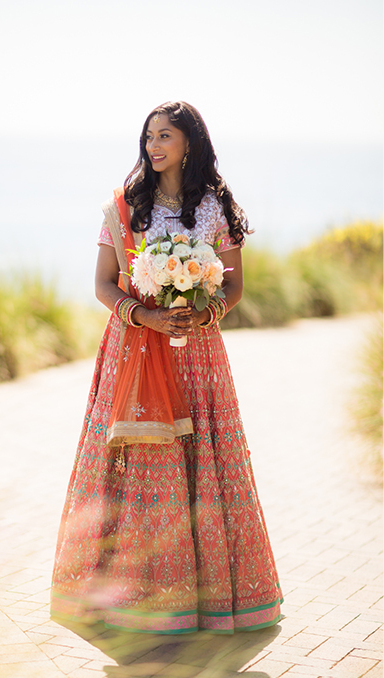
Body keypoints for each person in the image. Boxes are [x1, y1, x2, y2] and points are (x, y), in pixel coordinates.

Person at [50, 101, 283, 635]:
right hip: (133, 347)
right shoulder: (126, 207)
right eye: (149, 136)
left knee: (202, 457)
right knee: (134, 460)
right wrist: (148, 317)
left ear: (189, 143)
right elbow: (103, 284)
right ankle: (122, 594)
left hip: (198, 353)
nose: (154, 146)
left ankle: (204, 599)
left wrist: (204, 312)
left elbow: (234, 285)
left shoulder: (215, 208)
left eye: (166, 136)